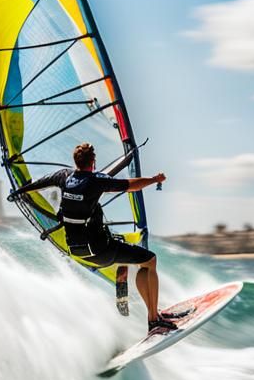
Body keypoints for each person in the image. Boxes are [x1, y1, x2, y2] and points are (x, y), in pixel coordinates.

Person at [10, 142, 171, 331]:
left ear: (75, 161)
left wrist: (18, 193)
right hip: (100, 250)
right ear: (93, 162)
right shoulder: (97, 180)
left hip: (76, 250)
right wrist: (154, 179)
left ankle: (127, 285)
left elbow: (38, 184)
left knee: (121, 245)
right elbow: (132, 186)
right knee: (149, 260)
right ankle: (154, 318)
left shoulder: (64, 176)